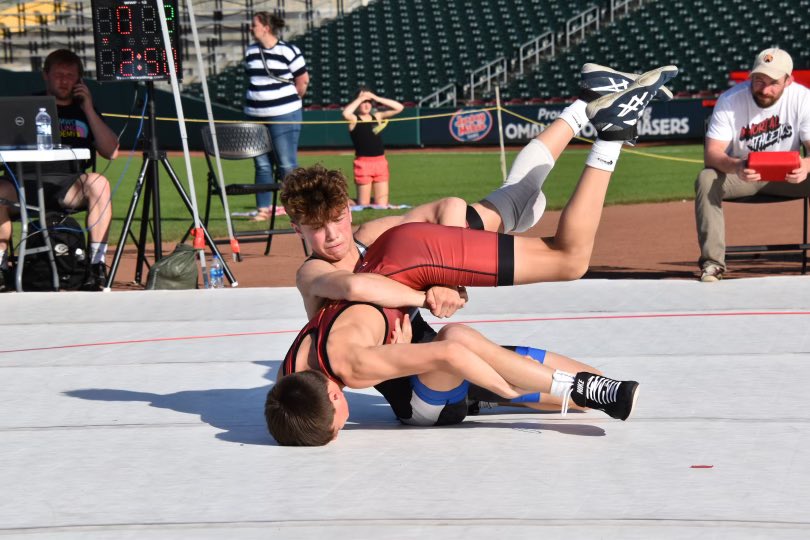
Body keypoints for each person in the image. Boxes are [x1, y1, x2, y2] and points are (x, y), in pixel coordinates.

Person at [266, 64, 678, 445]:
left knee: (512, 208)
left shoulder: (370, 239)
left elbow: (443, 210)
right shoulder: (315, 276)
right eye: (316, 229)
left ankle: (590, 110)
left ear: (348, 210)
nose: (332, 236)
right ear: (296, 228)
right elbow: (354, 285)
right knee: (516, 237)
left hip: (438, 341)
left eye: (335, 220)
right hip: (429, 384)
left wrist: (445, 277)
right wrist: (426, 296)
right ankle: (597, 119)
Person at [0, 49, 119, 292]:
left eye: (70, 75)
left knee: (100, 183)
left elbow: (112, 151)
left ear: (79, 80)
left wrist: (88, 108)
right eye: (58, 75)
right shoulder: (24, 107)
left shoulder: (85, 110)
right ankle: (1, 266)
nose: (64, 80)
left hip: (67, 186)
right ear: (46, 76)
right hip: (23, 184)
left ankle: (96, 266)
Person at [695, 47, 810, 282]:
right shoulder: (730, 100)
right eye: (759, 80)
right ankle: (713, 263)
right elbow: (712, 154)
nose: (765, 89)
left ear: (789, 80)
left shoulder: (803, 98)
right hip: (743, 175)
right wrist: (736, 166)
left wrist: (806, 165)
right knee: (707, 178)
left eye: (773, 82)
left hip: (789, 176)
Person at [244, 12, 309, 222]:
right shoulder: (251, 51)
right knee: (261, 165)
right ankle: (263, 209)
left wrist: (287, 101)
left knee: (287, 164)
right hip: (255, 116)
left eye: (253, 25)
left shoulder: (288, 50)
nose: (250, 28)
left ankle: (298, 207)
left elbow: (303, 81)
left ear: (265, 27)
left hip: (284, 114)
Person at [342, 87, 404, 207]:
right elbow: (345, 113)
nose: (366, 104)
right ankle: (343, 202)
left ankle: (366, 198)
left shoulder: (377, 116)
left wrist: (375, 97)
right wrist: (360, 99)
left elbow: (399, 107)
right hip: (363, 164)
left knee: (382, 205)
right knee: (363, 205)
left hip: (380, 162)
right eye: (363, 102)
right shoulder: (354, 119)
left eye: (368, 101)